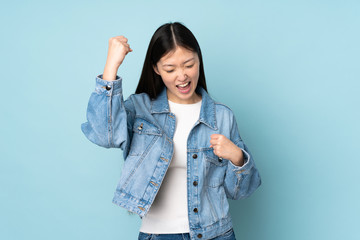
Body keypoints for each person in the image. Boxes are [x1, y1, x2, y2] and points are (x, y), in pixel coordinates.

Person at [81, 22, 261, 240]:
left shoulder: (222, 116)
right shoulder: (140, 110)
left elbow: (240, 192)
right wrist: (111, 67)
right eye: (170, 69)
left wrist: (237, 157)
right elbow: (103, 134)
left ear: (198, 61)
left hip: (216, 234)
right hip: (157, 235)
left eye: (188, 65)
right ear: (156, 69)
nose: (182, 76)